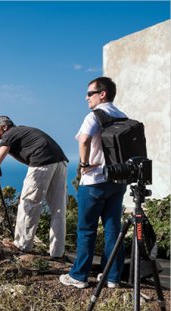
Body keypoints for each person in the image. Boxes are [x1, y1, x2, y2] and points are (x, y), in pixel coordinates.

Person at [60, 76, 127, 289]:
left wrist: (84, 163)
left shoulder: (94, 116)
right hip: (117, 180)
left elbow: (85, 139)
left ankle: (79, 276)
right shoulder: (123, 116)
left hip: (95, 181)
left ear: (102, 94)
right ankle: (112, 277)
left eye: (90, 93)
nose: (86, 97)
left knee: (86, 230)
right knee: (112, 230)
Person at [0, 116, 69, 260]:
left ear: (4, 127)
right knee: (58, 209)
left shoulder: (9, 134)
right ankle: (57, 252)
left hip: (42, 163)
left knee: (29, 204)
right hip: (60, 161)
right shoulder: (20, 131)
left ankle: (22, 245)